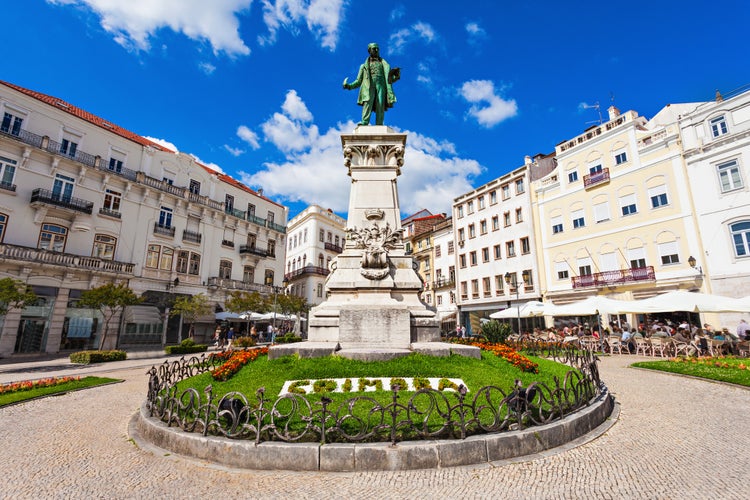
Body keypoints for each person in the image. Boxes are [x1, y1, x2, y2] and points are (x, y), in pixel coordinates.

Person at [343, 42, 400, 126]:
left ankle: (379, 124)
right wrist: (349, 86)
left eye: (377, 48)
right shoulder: (363, 66)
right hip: (369, 86)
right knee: (367, 103)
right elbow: (358, 81)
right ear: (369, 50)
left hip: (381, 85)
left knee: (380, 104)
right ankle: (364, 122)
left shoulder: (384, 64)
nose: (376, 50)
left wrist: (396, 76)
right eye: (374, 49)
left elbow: (389, 80)